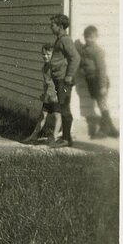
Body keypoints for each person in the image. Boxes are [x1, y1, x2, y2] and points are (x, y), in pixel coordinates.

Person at [78, 25, 119, 138]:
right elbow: (83, 60)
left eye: (91, 37)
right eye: (86, 37)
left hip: (99, 80)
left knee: (102, 104)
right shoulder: (85, 49)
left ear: (96, 37)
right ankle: (113, 130)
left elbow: (102, 69)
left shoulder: (98, 51)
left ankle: (104, 130)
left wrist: (102, 86)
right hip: (92, 80)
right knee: (102, 104)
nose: (88, 39)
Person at [48, 14, 81, 148]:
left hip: (63, 80)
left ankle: (66, 139)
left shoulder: (65, 40)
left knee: (64, 107)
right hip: (59, 79)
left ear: (60, 26)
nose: (51, 27)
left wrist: (68, 76)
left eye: (53, 25)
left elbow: (76, 58)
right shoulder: (60, 39)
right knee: (63, 106)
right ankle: (65, 138)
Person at [22, 43, 61, 144]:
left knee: (58, 116)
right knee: (42, 116)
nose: (45, 56)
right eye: (43, 54)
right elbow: (46, 83)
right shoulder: (44, 67)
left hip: (56, 97)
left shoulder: (55, 67)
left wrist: (58, 94)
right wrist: (44, 94)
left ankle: (55, 136)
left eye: (48, 54)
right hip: (48, 96)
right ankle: (33, 136)